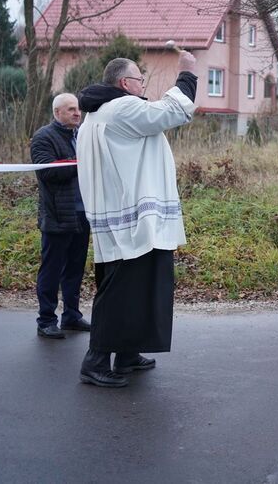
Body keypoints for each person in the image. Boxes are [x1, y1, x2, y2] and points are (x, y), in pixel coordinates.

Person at [75, 54, 198, 388]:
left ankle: (127, 352)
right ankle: (96, 360)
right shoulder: (121, 109)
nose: (143, 87)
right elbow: (172, 111)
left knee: (138, 290)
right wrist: (187, 74)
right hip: (132, 219)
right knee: (120, 292)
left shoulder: (96, 116)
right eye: (140, 80)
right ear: (124, 84)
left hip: (120, 216)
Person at [30, 93, 91, 339]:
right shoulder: (43, 137)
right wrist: (80, 162)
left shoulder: (82, 135)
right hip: (57, 215)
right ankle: (46, 319)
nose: (77, 113)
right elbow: (47, 172)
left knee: (75, 268)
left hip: (82, 213)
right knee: (52, 269)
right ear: (57, 113)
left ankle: (72, 316)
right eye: (70, 109)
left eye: (78, 109)